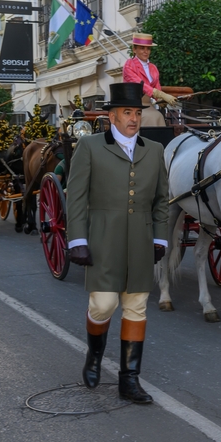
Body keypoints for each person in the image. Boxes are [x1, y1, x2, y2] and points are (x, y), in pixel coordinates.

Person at [66, 82, 169, 404]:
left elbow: (161, 200)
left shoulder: (155, 150)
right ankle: (94, 357)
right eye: (127, 112)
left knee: (136, 306)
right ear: (112, 116)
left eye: (137, 112)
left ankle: (129, 380)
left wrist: (160, 237)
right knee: (104, 304)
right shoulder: (90, 147)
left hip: (140, 238)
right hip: (103, 238)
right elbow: (77, 197)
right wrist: (77, 239)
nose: (134, 118)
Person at [121, 33, 179, 127]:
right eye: (142, 48)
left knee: (159, 116)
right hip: (133, 105)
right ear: (134, 49)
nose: (146, 51)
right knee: (149, 117)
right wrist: (162, 95)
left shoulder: (153, 67)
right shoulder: (129, 65)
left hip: (148, 104)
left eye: (148, 48)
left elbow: (157, 88)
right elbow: (140, 85)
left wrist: (161, 100)